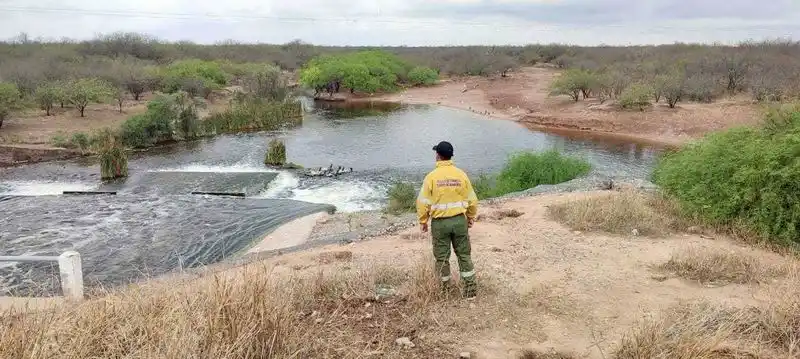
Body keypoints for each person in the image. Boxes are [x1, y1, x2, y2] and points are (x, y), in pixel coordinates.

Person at [416, 141, 479, 299]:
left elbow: (422, 202)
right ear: (450, 156)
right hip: (459, 221)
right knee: (464, 255)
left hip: (440, 224)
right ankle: (470, 291)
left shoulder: (431, 177)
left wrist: (423, 221)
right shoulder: (461, 174)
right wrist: (470, 217)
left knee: (442, 258)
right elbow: (472, 199)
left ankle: (444, 292)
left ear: (438, 156)